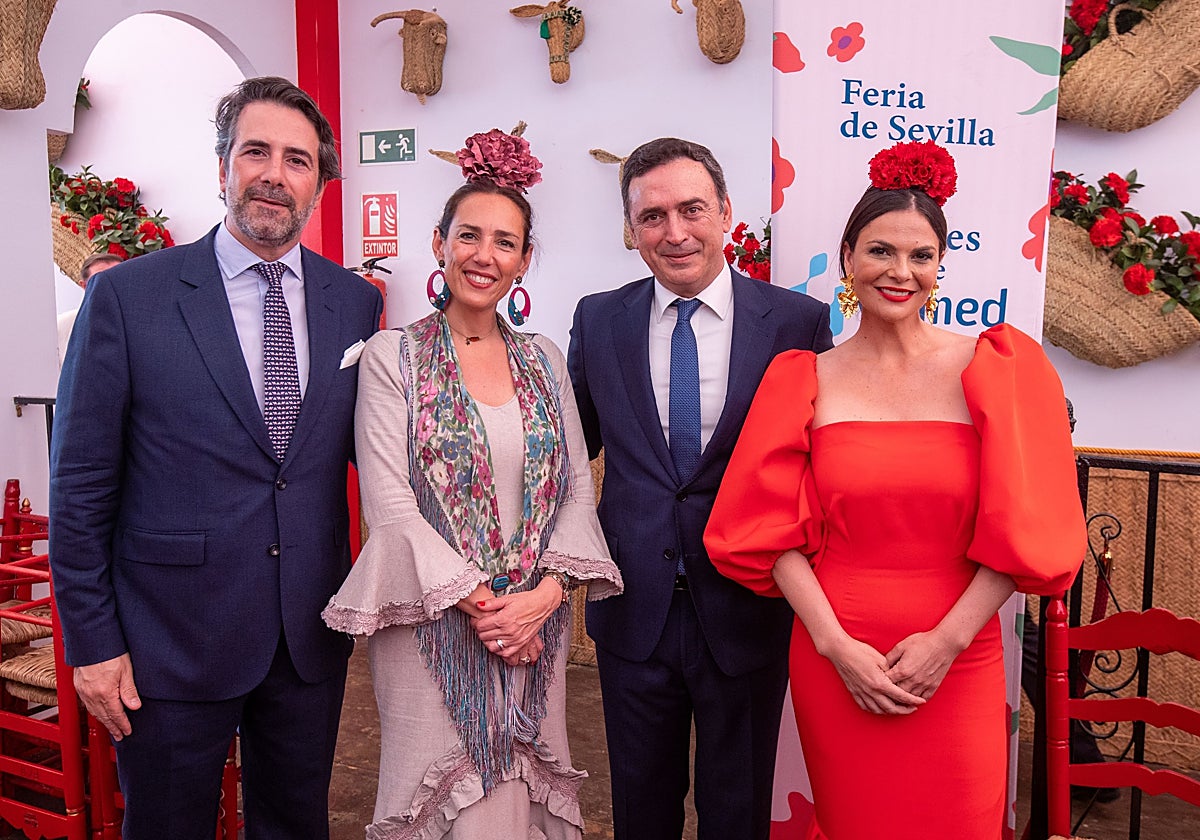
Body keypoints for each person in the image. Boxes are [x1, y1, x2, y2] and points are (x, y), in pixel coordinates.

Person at [704, 140, 1087, 838]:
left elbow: (1029, 531)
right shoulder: (803, 379)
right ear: (849, 256)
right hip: (835, 658)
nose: (900, 271)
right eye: (881, 251)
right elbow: (765, 533)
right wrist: (832, 645)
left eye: (920, 256)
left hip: (961, 655)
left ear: (941, 266)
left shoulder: (998, 368)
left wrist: (946, 641)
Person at [49, 76, 383, 839]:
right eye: (255, 151)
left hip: (307, 634)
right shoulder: (130, 298)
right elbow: (79, 487)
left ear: (320, 182)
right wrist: (94, 646)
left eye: (297, 159)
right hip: (167, 641)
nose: (274, 173)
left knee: (296, 825)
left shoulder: (353, 302)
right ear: (223, 166)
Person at [323, 129, 622, 839]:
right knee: (443, 808)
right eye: (469, 236)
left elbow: (578, 491)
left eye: (505, 242)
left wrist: (542, 602)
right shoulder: (392, 356)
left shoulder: (546, 359)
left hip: (535, 630)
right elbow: (390, 504)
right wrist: (490, 610)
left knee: (518, 802)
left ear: (523, 260)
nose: (484, 256)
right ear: (439, 243)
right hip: (434, 626)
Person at [567, 137, 833, 839]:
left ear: (725, 213)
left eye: (692, 209)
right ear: (631, 229)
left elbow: (819, 467)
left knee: (737, 814)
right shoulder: (598, 320)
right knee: (640, 812)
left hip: (747, 612)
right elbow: (568, 458)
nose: (675, 232)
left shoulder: (797, 325)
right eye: (652, 216)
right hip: (632, 614)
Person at [57, 251, 122, 367]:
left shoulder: (142, 325)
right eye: (101, 281)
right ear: (84, 286)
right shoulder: (62, 327)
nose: (111, 287)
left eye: (118, 279)